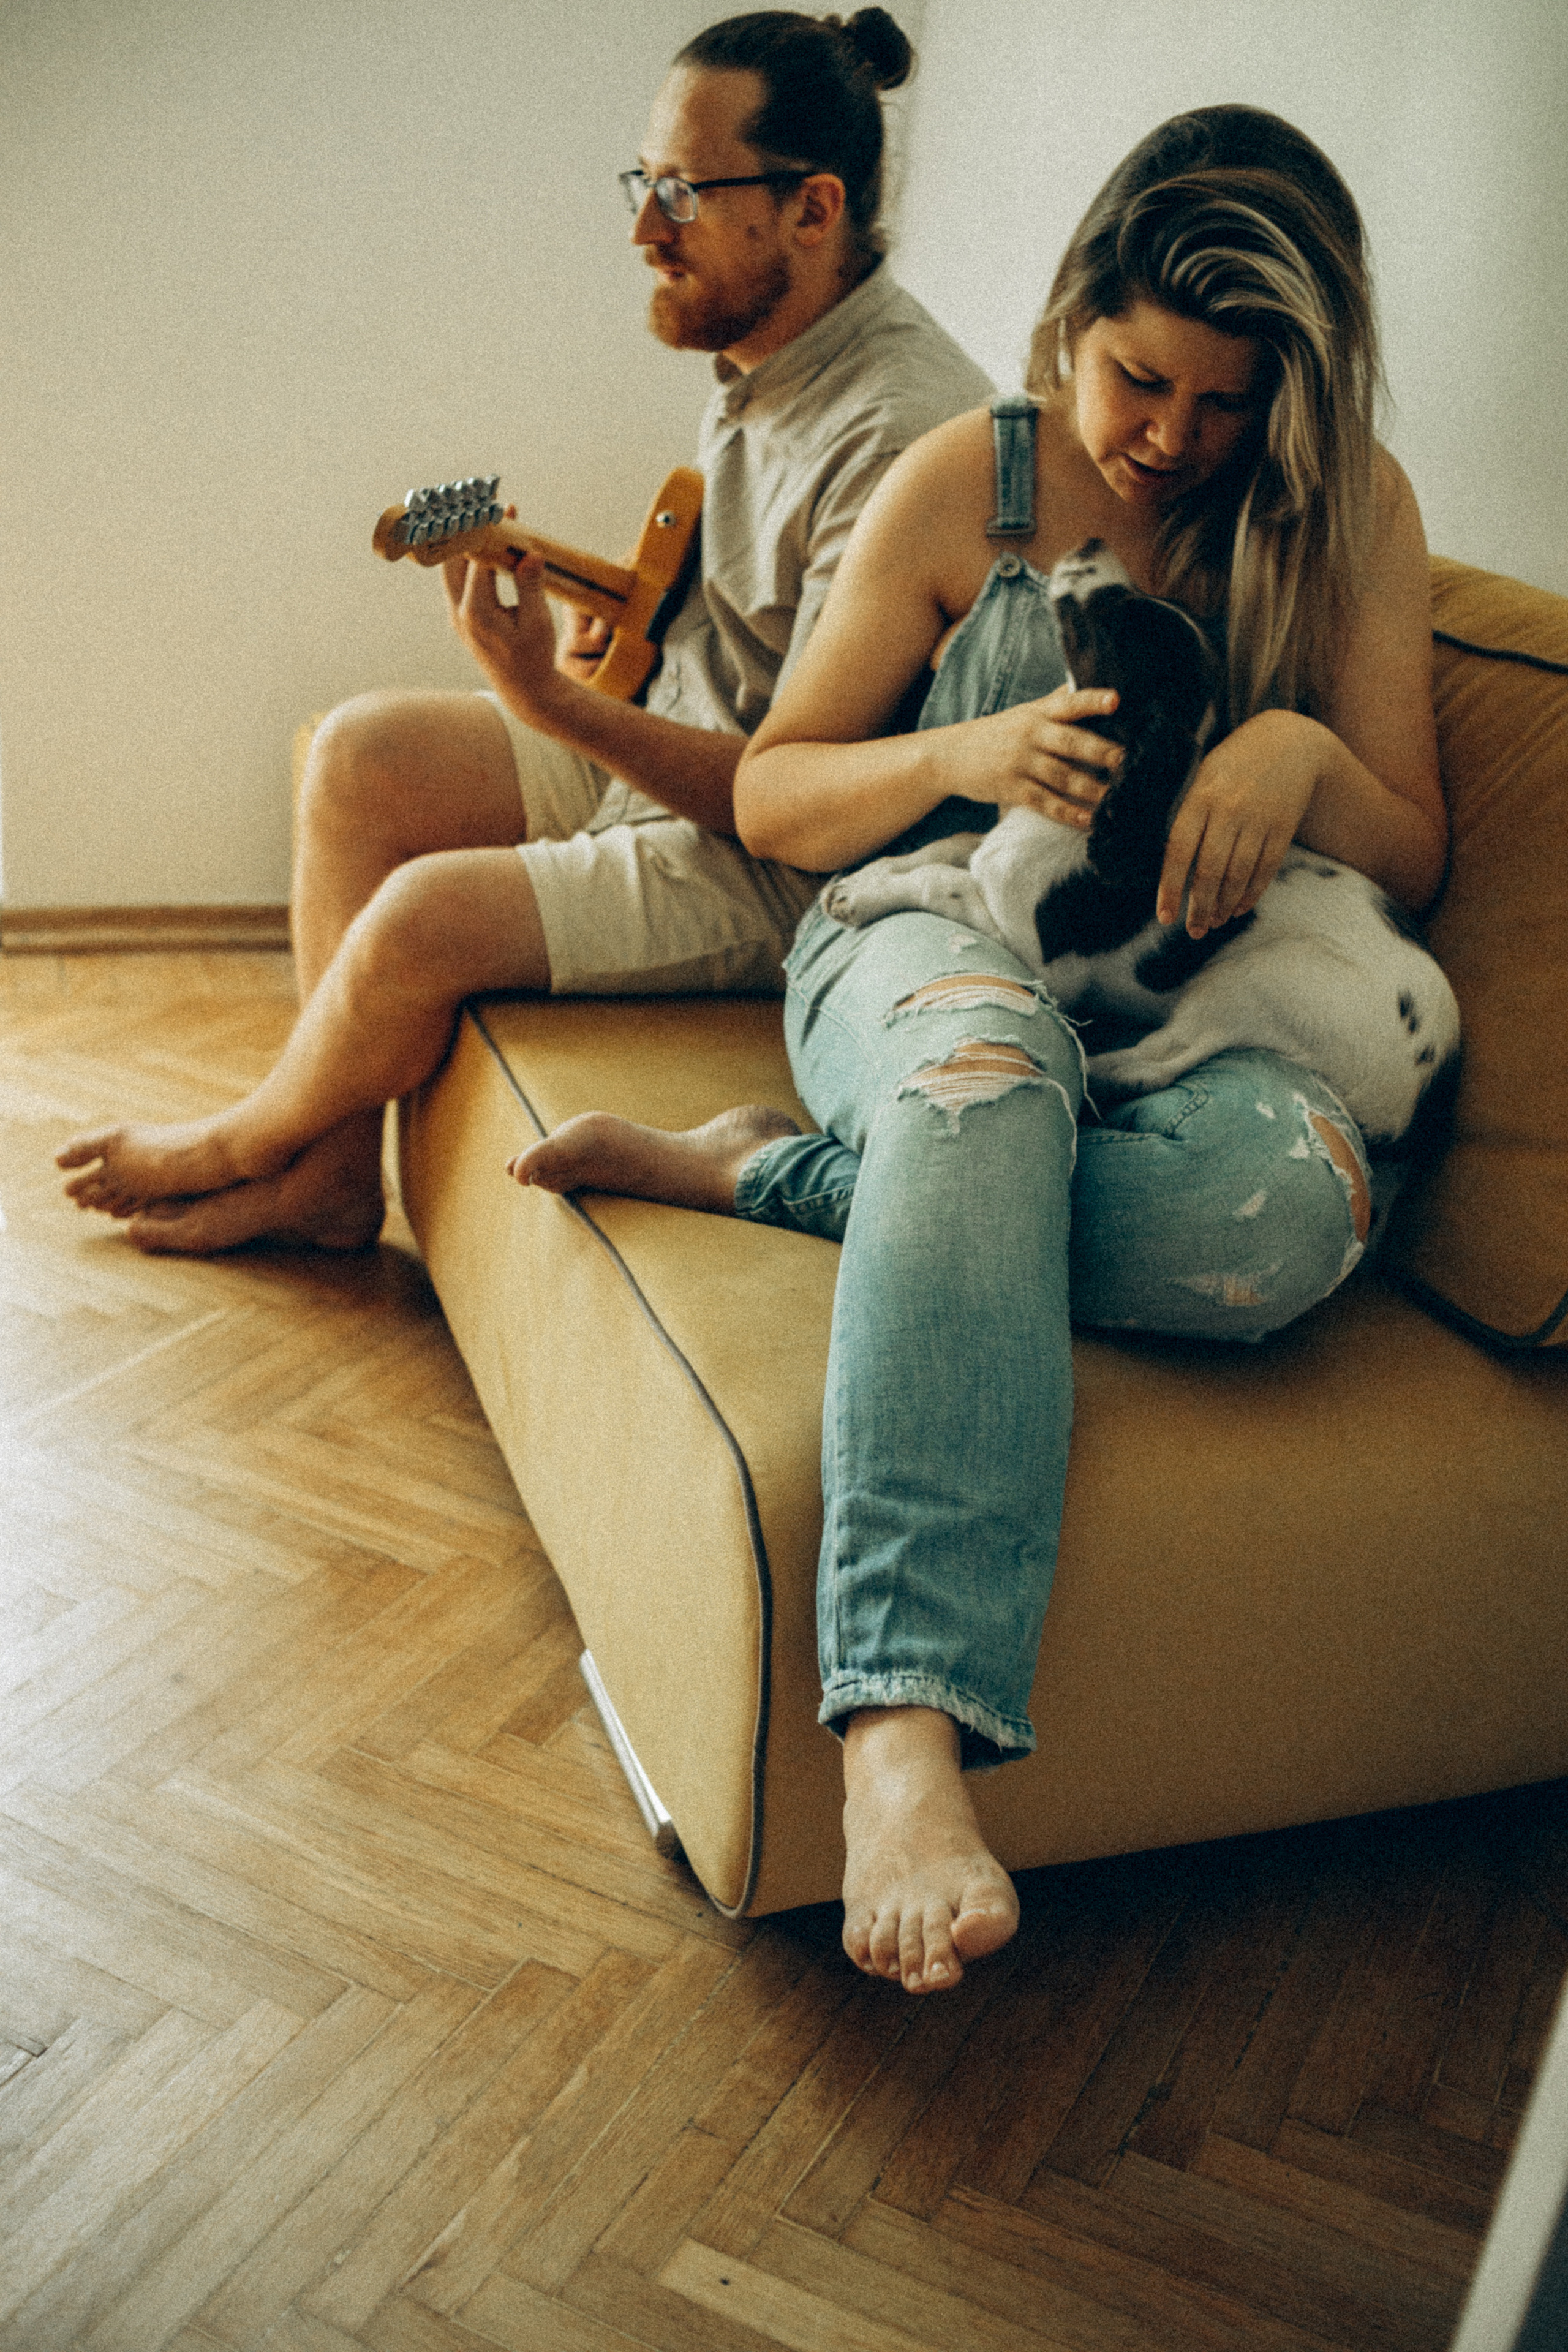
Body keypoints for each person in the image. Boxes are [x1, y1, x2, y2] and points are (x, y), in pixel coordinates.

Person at [508, 107, 1449, 1995]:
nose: (1169, 437)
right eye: (1138, 379)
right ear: (1070, 320)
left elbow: (1412, 851)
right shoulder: (970, 481)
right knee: (988, 1080)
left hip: (1191, 1013)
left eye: (1226, 403)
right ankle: (904, 1735)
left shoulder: (1349, 510)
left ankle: (775, 1174)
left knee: (1284, 1219)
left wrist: (1299, 755)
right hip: (930, 936)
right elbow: (776, 794)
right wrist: (961, 754)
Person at [57, 9, 992, 1253]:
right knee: (359, 755)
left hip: (793, 867)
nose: (643, 229)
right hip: (687, 752)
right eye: (641, 182)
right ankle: (329, 1177)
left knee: (421, 916)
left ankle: (241, 1140)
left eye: (682, 193)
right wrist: (607, 644)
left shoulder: (898, 434)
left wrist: (553, 701)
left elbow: (793, 801)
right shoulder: (771, 349)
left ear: (811, 209)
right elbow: (741, 621)